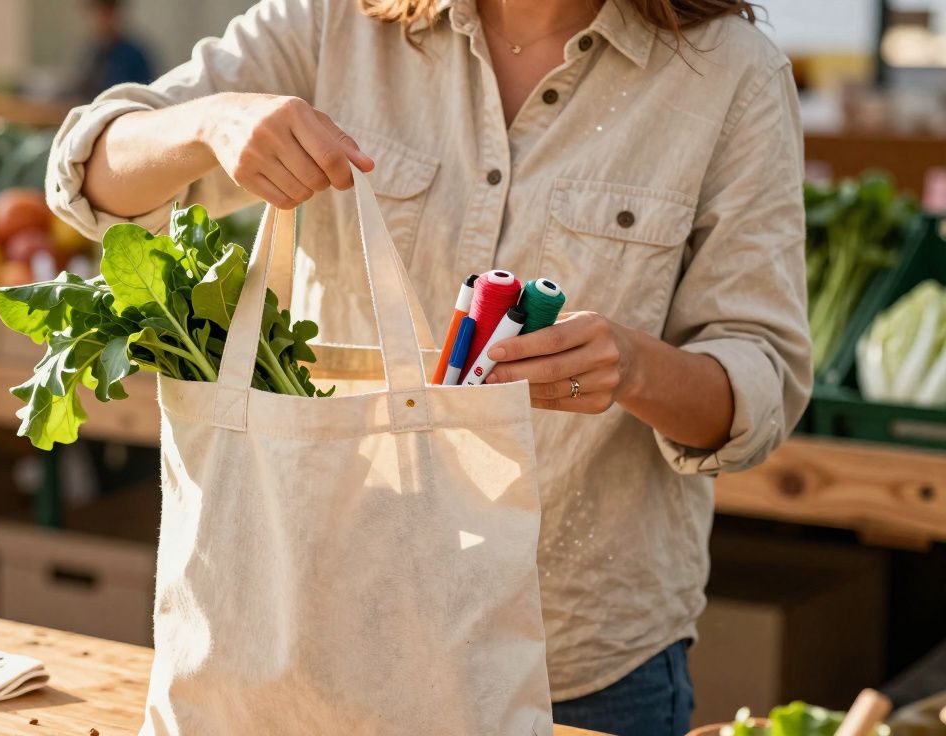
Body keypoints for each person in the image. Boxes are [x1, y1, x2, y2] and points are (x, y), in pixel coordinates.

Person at [50, 0, 812, 734]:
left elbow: (762, 381)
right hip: (315, 638)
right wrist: (210, 123)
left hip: (578, 672)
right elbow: (89, 177)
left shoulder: (731, 75)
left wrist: (637, 369)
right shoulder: (333, 23)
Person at [71, 0, 154, 102]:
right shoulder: (93, 53)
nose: (99, 20)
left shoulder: (133, 55)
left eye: (105, 13)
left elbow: (144, 95)